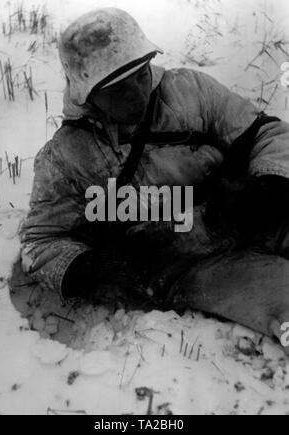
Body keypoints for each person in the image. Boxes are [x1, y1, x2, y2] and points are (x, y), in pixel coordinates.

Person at [19, 8, 289, 343]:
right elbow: (39, 242)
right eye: (118, 89)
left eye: (141, 73)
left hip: (248, 213)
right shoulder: (66, 156)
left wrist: (270, 185)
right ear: (87, 93)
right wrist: (88, 269)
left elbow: (267, 133)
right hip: (189, 263)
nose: (137, 93)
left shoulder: (191, 90)